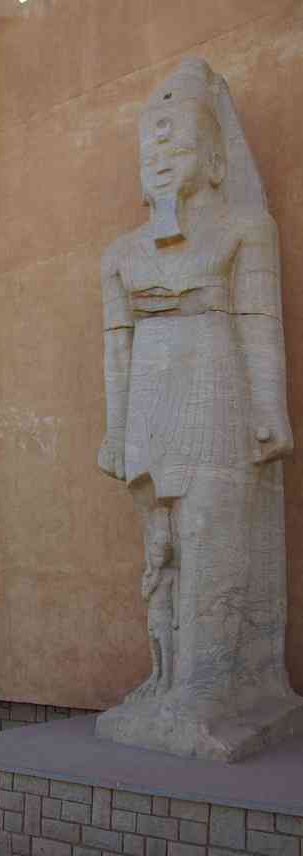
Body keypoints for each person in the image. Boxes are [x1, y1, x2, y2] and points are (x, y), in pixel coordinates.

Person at [95, 59, 301, 759]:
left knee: (214, 538)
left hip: (218, 390)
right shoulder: (120, 254)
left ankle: (209, 686)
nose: (158, 160)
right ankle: (167, 677)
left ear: (214, 158)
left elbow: (258, 320)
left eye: (175, 144)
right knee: (163, 549)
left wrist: (270, 407)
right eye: (149, 149)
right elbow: (115, 349)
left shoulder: (246, 228)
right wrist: (115, 430)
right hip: (151, 400)